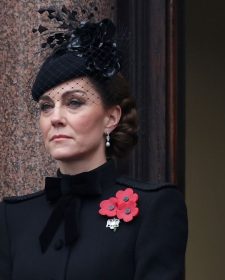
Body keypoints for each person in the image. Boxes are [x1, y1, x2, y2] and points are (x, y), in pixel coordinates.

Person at [0, 7, 187, 280]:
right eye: (46, 107)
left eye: (74, 103)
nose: (56, 118)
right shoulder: (13, 217)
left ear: (111, 117)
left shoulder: (155, 207)